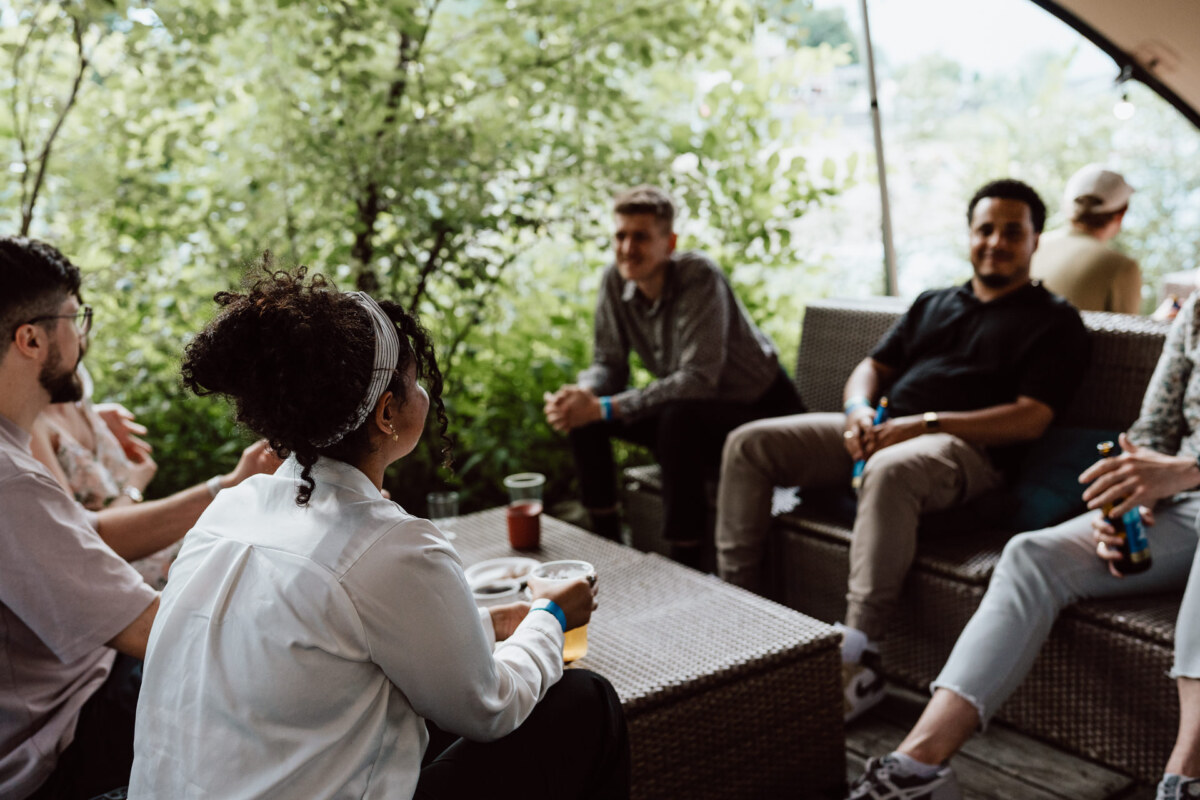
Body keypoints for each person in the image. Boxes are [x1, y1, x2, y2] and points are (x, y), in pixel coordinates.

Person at [129, 265, 630, 799]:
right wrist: (552, 617)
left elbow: (317, 645)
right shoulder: (385, 545)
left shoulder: (229, 510)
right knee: (584, 700)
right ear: (388, 412)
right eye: (414, 382)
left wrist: (484, 625)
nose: (425, 396)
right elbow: (491, 708)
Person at [715, 179, 1090, 721]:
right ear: (970, 235)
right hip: (884, 432)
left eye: (1013, 231)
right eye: (985, 229)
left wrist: (923, 425)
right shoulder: (935, 302)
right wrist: (858, 411)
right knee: (751, 443)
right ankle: (739, 606)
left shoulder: (1055, 321)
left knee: (889, 469)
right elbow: (874, 366)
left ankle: (859, 651)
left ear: (1036, 240)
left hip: (963, 453)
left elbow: (1032, 418)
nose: (996, 242)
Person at [847, 291, 1200, 800]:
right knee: (1030, 555)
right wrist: (1131, 496)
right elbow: (1155, 427)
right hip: (1180, 503)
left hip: (1188, 482)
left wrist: (1186, 471)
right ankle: (915, 768)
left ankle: (1185, 777)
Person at [0, 236, 273, 800]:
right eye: (74, 319)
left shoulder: (17, 463)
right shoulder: (12, 483)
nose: (81, 336)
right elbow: (159, 634)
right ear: (30, 339)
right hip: (66, 734)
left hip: (91, 688)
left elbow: (84, 546)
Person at [544, 185, 803, 567]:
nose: (627, 248)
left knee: (673, 419)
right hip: (690, 410)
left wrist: (604, 407)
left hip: (758, 410)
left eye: (641, 237)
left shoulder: (699, 276)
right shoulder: (616, 280)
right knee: (589, 419)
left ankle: (688, 561)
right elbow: (609, 363)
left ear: (670, 242)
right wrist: (583, 395)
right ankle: (606, 541)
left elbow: (698, 378)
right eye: (620, 235)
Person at [30, 365, 277, 587]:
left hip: (151, 542)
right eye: (74, 317)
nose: (81, 330)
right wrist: (134, 487)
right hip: (121, 575)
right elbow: (81, 539)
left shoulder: (75, 393)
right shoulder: (28, 427)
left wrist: (95, 417)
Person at [1032, 163, 1141, 313]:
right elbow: (1124, 333)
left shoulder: (1030, 247)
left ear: (1066, 205)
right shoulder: (1122, 267)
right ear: (1122, 213)